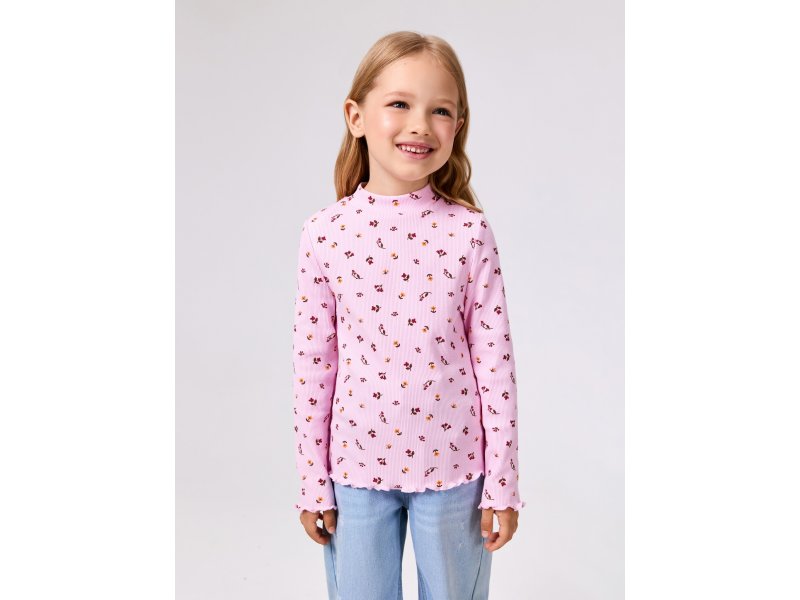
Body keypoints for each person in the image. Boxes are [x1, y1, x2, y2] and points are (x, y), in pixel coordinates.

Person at [290, 30, 525, 599]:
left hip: (455, 469)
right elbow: (313, 366)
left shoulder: (470, 232)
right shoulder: (325, 233)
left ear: (458, 126)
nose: (420, 124)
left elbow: (495, 365)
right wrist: (312, 481)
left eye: (440, 110)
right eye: (399, 103)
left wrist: (502, 482)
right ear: (356, 116)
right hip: (354, 469)